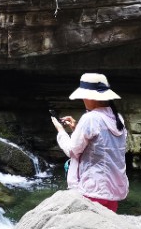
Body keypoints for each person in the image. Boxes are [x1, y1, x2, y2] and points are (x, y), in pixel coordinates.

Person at [51, 72, 128, 212]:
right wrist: (76, 128)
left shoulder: (90, 119)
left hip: (92, 190)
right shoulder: (118, 118)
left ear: (90, 97)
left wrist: (61, 131)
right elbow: (99, 143)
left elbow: (72, 150)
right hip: (113, 191)